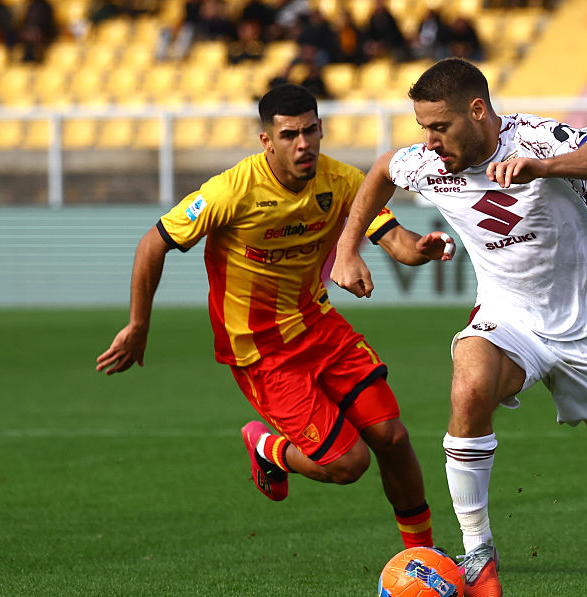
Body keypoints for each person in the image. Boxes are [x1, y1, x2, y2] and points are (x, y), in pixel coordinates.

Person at [331, 58, 587, 597]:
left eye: (438, 127)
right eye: (422, 128)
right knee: (468, 390)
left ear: (477, 112)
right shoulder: (427, 163)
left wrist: (546, 167)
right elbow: (379, 172)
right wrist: (349, 249)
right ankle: (477, 551)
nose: (429, 141)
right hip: (509, 316)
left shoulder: (537, 138)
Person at [96, 84, 457, 551]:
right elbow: (154, 242)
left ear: (322, 130)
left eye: (310, 131)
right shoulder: (232, 191)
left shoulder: (342, 181)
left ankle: (421, 557)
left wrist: (421, 250)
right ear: (267, 140)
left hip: (319, 326)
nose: (303, 143)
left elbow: (397, 242)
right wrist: (138, 324)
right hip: (261, 351)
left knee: (392, 436)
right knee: (349, 464)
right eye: (289, 135)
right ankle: (269, 449)